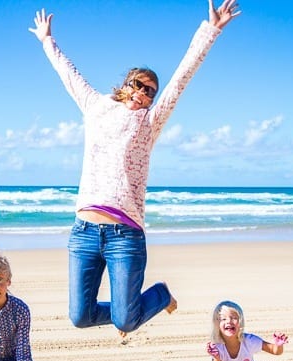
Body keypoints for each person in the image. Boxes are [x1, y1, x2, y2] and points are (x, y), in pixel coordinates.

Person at [29, 1, 240, 337]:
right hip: (83, 231)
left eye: (150, 91)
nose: (143, 93)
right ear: (125, 84)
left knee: (126, 321)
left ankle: (159, 295)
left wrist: (210, 30)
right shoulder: (95, 106)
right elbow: (68, 74)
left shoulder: (149, 122)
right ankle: (135, 308)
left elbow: (182, 78)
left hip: (125, 235)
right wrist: (46, 40)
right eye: (138, 85)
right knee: (80, 317)